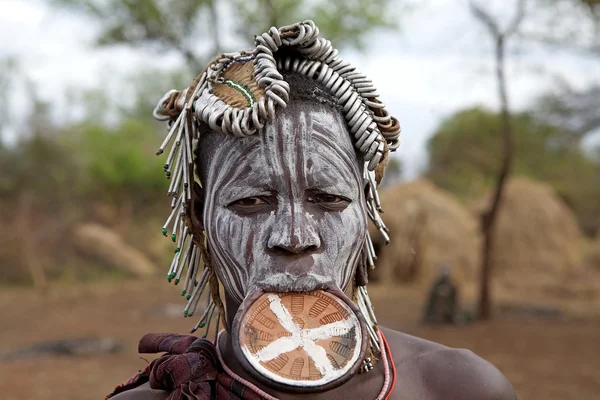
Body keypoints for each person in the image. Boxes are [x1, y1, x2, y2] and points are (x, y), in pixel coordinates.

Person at [108, 21, 517, 400]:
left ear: (366, 210)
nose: (295, 237)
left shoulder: (457, 387)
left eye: (329, 199)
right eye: (251, 202)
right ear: (200, 218)